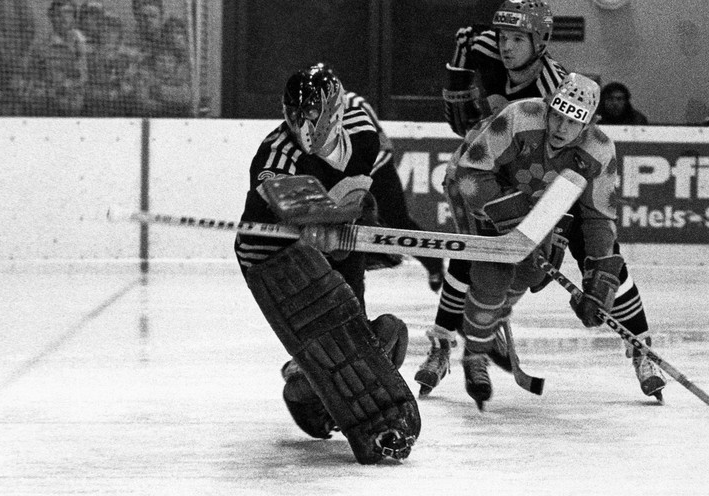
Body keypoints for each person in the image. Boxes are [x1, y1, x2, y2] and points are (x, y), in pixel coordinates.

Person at [416, 0, 666, 403]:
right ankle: (443, 344)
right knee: (470, 254)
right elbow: (464, 127)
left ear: (541, 41)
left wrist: (554, 236)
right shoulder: (483, 49)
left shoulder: (557, 89)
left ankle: (641, 349)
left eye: (517, 39)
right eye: (502, 36)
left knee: (606, 262)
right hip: (499, 176)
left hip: (559, 192)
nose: (506, 47)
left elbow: (591, 203)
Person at [233, 64, 420, 463]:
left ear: (333, 111)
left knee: (359, 339)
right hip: (272, 254)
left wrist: (357, 220)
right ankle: (306, 381)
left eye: (312, 114)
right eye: (294, 115)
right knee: (333, 338)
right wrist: (316, 225)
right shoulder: (276, 156)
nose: (302, 125)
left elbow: (360, 193)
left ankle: (306, 386)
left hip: (336, 235)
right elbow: (292, 208)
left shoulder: (364, 134)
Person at [448, 73, 630, 409]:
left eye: (572, 121)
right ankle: (475, 354)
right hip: (479, 192)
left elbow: (598, 217)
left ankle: (489, 318)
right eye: (556, 115)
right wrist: (513, 224)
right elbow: (471, 172)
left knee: (533, 273)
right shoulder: (519, 117)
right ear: (547, 108)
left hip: (539, 209)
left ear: (588, 124)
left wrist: (599, 283)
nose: (561, 127)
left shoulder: (600, 150)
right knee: (492, 276)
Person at [340, 85, 445, 291]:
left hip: (379, 171)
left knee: (398, 222)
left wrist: (364, 176)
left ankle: (433, 262)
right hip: (352, 174)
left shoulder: (356, 104)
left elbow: (382, 145)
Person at [22, 0, 88, 116]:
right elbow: (29, 84)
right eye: (58, 15)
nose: (63, 19)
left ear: (74, 17)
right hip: (51, 110)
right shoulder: (40, 49)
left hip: (86, 111)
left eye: (68, 14)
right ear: (51, 17)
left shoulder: (86, 46)